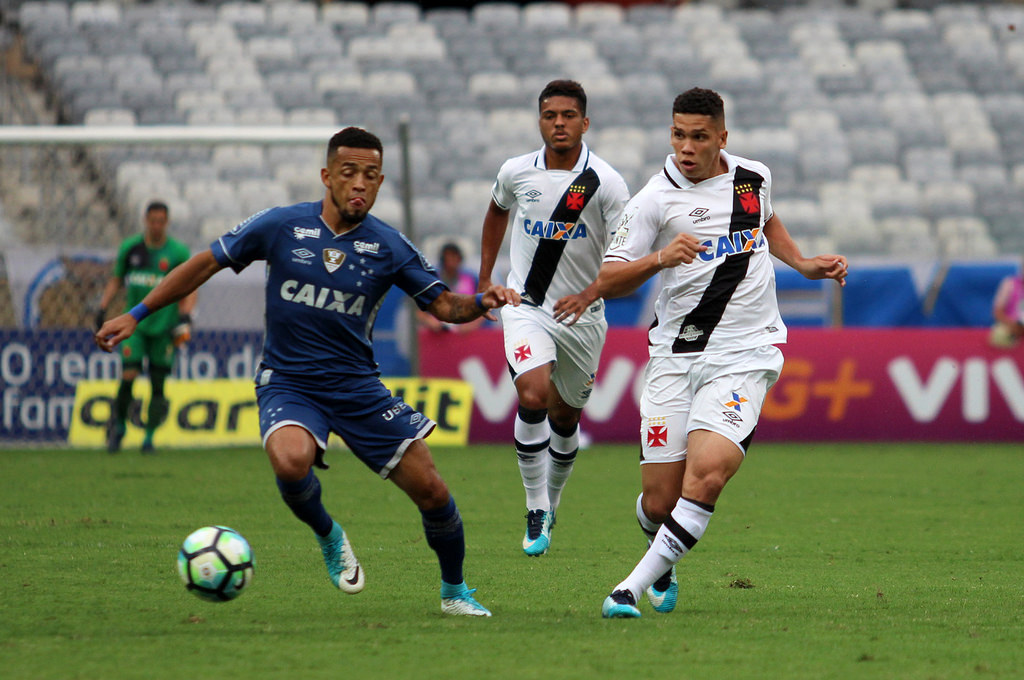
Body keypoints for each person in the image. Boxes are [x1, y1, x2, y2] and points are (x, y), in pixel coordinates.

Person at [96, 127, 520, 617]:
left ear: (380, 182)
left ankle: (454, 592)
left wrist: (480, 302)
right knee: (290, 461)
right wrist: (137, 313)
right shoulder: (281, 226)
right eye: (349, 173)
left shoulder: (388, 245)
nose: (360, 183)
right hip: (290, 381)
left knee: (432, 489)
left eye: (370, 176)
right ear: (326, 176)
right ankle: (329, 534)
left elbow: (445, 303)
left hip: (358, 387)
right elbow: (203, 264)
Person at [596, 88, 848, 618]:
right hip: (675, 356)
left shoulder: (753, 178)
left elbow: (764, 221)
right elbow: (608, 278)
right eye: (678, 135)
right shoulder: (653, 201)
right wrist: (662, 257)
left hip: (746, 353)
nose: (686, 147)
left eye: (699, 137)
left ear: (722, 138)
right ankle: (661, 557)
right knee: (661, 503)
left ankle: (629, 588)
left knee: (707, 474)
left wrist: (800, 263)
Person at [477, 79, 630, 556]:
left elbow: (626, 252)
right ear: (539, 120)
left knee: (566, 417)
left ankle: (554, 500)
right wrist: (485, 280)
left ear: (585, 123)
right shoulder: (516, 171)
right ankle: (535, 504)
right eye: (549, 115)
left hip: (582, 317)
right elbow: (496, 212)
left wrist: (589, 293)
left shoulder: (606, 182)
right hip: (527, 307)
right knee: (532, 393)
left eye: (568, 116)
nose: (558, 123)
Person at [96, 200, 195, 453]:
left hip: (164, 327)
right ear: (146, 221)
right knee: (129, 375)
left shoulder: (178, 252)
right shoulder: (131, 248)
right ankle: (119, 427)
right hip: (135, 327)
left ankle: (149, 438)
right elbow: (116, 279)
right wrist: (103, 307)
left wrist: (185, 316)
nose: (157, 226)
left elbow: (190, 287)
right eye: (153, 221)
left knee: (158, 383)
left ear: (167, 222)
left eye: (161, 221)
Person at [417, 242, 483, 333]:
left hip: (465, 332)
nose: (451, 261)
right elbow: (417, 308)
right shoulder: (432, 280)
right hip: (436, 332)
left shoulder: (471, 279)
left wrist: (472, 325)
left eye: (454, 257)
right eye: (448, 257)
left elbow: (483, 306)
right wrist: (430, 321)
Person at [989, 263, 1023, 348]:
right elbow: (997, 312)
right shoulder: (1009, 284)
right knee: (1000, 334)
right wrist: (1012, 325)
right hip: (1012, 327)